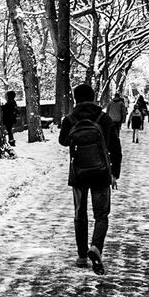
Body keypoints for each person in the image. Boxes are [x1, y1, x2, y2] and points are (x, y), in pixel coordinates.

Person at [58, 83, 123, 275]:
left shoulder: (69, 119)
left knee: (80, 213)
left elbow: (63, 141)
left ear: (75, 98)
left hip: (78, 174)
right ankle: (96, 247)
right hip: (102, 173)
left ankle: (81, 256)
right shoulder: (103, 118)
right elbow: (115, 147)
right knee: (101, 214)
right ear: (94, 97)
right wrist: (114, 173)